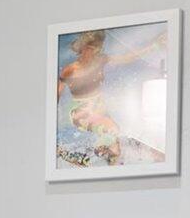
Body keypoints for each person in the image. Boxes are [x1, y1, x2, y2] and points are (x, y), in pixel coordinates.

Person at [55, 26, 166, 165]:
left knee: (115, 151)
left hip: (100, 109)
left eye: (98, 48)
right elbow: (55, 95)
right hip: (82, 110)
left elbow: (127, 58)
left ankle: (95, 162)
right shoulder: (70, 70)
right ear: (83, 47)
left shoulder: (101, 60)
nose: (95, 52)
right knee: (113, 129)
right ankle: (85, 153)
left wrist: (154, 46)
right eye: (92, 48)